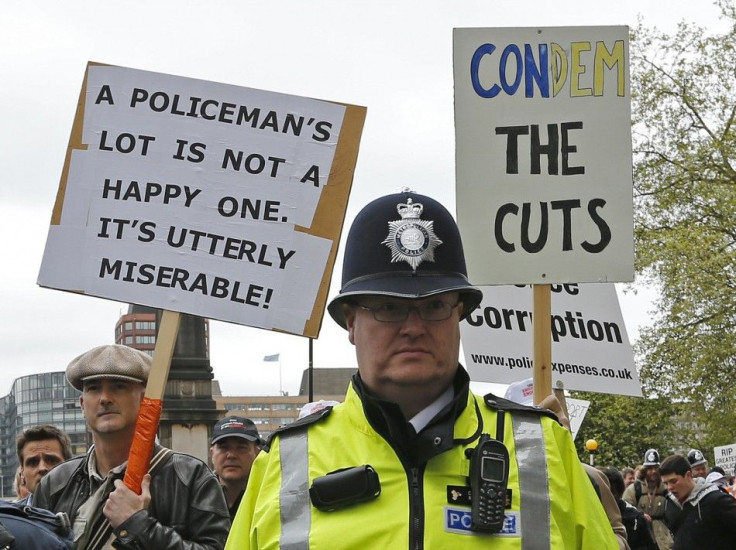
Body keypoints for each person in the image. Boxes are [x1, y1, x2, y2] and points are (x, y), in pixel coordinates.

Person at [226, 190, 618, 548]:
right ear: (350, 322)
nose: (413, 327)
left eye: (434, 306)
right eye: (389, 307)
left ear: (458, 314)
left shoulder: (543, 447)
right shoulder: (285, 459)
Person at [34, 344, 230, 549]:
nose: (105, 399)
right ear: (83, 404)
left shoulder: (191, 477)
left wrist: (139, 525)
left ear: (145, 400)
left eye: (119, 386)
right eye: (94, 388)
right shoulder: (55, 483)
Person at [660, 454, 736, 549]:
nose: (669, 487)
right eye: (665, 483)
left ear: (688, 475)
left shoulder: (715, 500)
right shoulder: (669, 504)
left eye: (673, 481)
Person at [211, 416, 262, 521]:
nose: (231, 455)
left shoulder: (269, 495)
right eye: (224, 447)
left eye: (241, 448)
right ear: (212, 454)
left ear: (257, 453)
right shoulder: (196, 495)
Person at [623, 449, 673, 550]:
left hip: (663, 536)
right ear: (644, 469)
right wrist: (639, 515)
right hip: (641, 535)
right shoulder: (634, 489)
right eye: (650, 468)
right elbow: (625, 509)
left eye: (656, 468)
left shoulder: (666, 488)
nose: (653, 471)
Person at [601, 467, 659, 550]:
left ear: (619, 493)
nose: (605, 497)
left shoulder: (636, 520)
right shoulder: (591, 516)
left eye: (610, 492)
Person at [16, 424, 73, 505]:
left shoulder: (89, 512)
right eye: (33, 462)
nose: (42, 468)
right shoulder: (9, 516)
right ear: (22, 473)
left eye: (51, 460)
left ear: (70, 467)